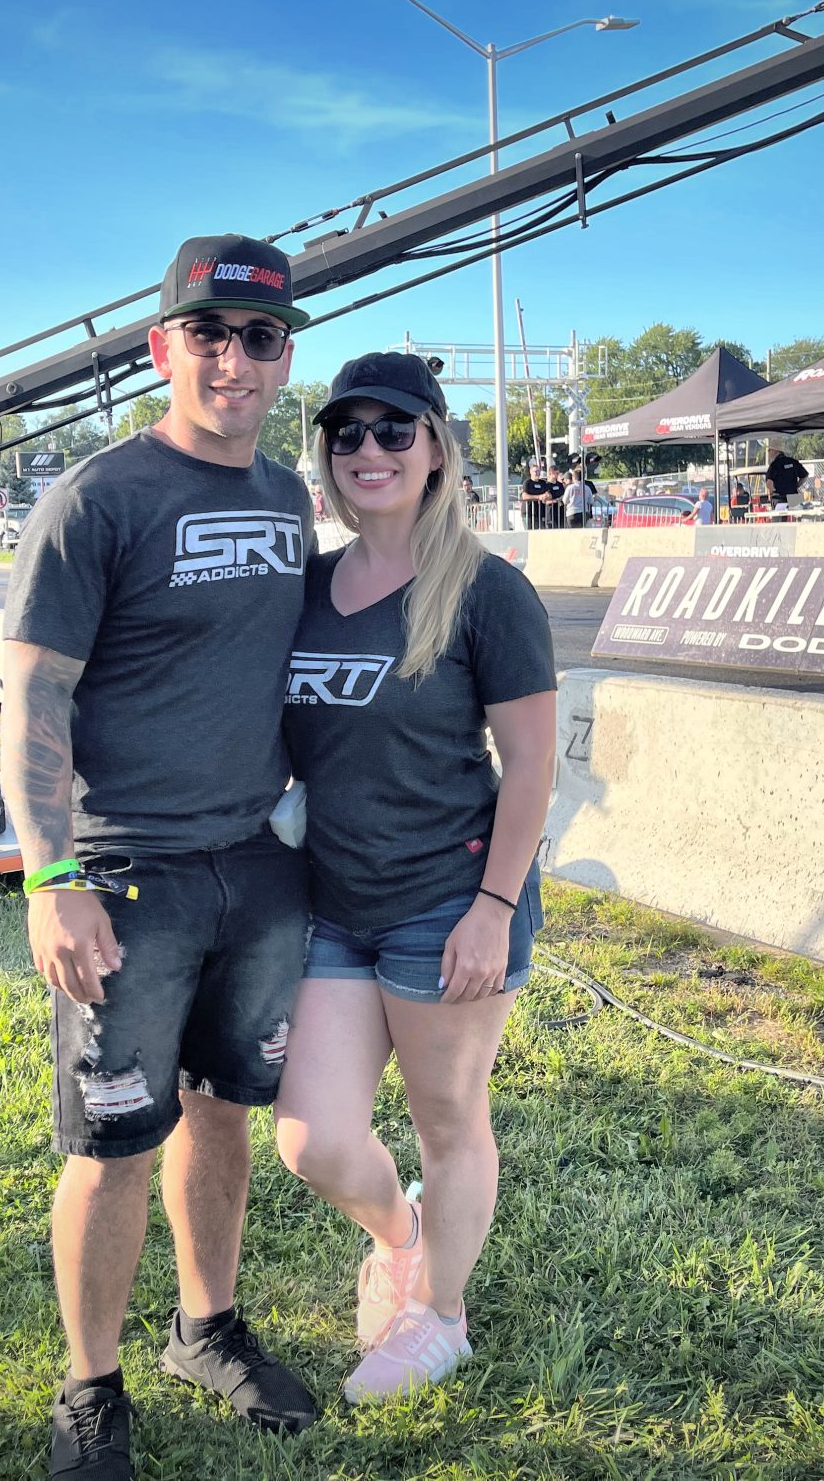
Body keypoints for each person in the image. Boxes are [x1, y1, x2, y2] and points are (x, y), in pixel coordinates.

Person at [1, 234, 319, 1480]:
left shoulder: (289, 493)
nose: (235, 359)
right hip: (125, 876)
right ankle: (90, 1390)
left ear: (285, 355)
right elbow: (33, 699)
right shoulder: (98, 498)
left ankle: (206, 1326)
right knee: (112, 1141)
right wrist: (48, 876)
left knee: (220, 1108)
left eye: (260, 338)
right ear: (161, 347)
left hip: (257, 861)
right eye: (209, 333)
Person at [275, 351, 554, 1406]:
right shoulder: (303, 589)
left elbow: (530, 763)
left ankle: (440, 1315)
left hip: (449, 900)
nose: (368, 450)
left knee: (447, 1120)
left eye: (394, 429)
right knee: (313, 1140)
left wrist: (491, 909)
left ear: (435, 445)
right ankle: (402, 1240)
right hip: (335, 905)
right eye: (346, 432)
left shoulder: (486, 592)